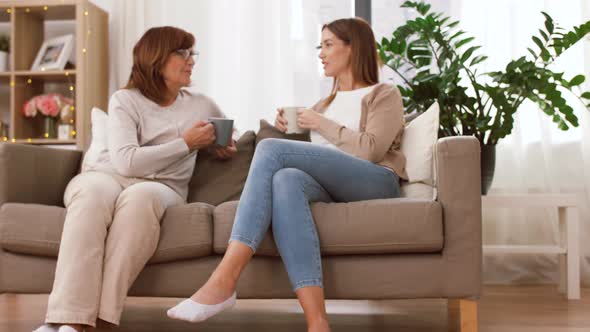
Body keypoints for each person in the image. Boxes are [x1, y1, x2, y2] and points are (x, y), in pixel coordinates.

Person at [167, 18, 408, 332]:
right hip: (333, 185)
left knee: (270, 149)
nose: (321, 53)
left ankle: (224, 279)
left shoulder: (383, 94)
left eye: (328, 44)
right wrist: (290, 127)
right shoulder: (325, 103)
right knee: (285, 181)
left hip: (377, 181)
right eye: (319, 46)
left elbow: (370, 150)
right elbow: (317, 158)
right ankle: (317, 323)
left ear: (354, 47)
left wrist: (318, 122)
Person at [34, 26, 237, 332]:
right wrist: (185, 143)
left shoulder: (201, 103)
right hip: (108, 176)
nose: (191, 60)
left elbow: (229, 136)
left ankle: (99, 321)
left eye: (191, 52)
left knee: (139, 199)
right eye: (182, 53)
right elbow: (125, 161)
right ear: (156, 59)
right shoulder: (125, 100)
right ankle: (66, 319)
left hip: (163, 187)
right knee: (90, 195)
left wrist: (225, 145)